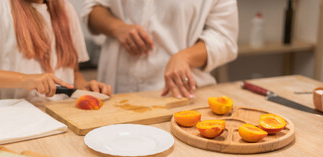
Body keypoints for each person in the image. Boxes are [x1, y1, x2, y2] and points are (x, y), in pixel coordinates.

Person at [0, 0, 112, 105]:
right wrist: (25, 80)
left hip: (61, 117)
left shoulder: (67, 9)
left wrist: (83, 87)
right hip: (5, 122)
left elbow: (73, 71)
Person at [81, 0, 238, 99]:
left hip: (179, 93)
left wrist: (186, 57)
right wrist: (115, 27)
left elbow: (225, 38)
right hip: (115, 90)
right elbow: (92, 7)